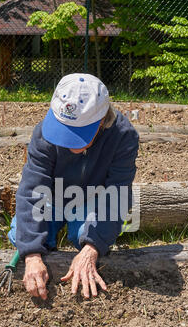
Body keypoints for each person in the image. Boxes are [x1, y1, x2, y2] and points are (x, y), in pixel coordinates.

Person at [8, 73, 139, 300]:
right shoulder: (43, 134)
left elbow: (117, 193)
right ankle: (47, 242)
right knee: (20, 232)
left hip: (92, 200)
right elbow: (32, 190)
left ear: (100, 121)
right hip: (52, 197)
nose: (67, 142)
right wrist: (31, 255)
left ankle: (78, 237)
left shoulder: (123, 136)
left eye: (77, 134)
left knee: (86, 237)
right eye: (64, 131)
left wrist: (91, 249)